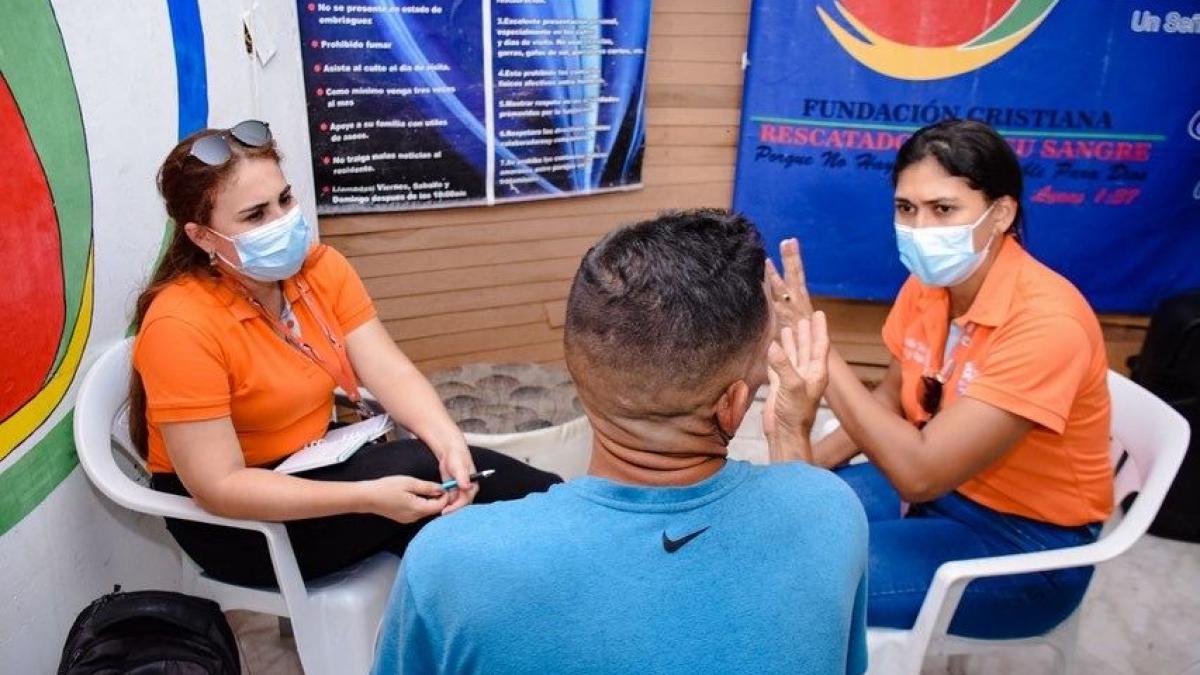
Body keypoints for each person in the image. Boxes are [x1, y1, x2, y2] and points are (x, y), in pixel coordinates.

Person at [373, 209, 868, 675]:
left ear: (577, 367)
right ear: (734, 405)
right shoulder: (833, 513)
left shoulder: (452, 563)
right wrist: (790, 430)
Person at [130, 120, 559, 587]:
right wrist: (366, 498)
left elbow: (388, 369)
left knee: (458, 521)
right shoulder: (180, 325)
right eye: (255, 216)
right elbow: (220, 487)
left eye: (285, 200)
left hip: (314, 460)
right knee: (427, 478)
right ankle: (572, 521)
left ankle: (550, 566)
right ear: (202, 236)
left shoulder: (319, 270)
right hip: (237, 525)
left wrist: (448, 440)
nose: (282, 222)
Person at [767, 119, 1112, 638]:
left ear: (1001, 214)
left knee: (796, 581)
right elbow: (890, 399)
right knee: (772, 528)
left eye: (943, 209)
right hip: (945, 494)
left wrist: (817, 347)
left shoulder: (1047, 324)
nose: (920, 230)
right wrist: (810, 469)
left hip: (1025, 545)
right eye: (906, 209)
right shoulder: (932, 285)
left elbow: (920, 473)